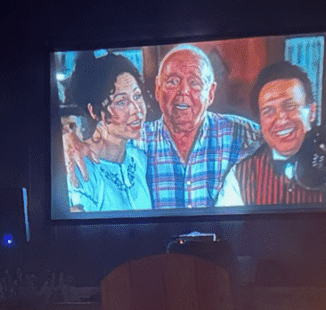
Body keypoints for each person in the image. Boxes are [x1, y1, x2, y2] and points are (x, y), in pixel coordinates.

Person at [65, 44, 260, 209]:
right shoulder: (138, 143)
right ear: (158, 89)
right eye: (173, 82)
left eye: (194, 83)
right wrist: (66, 140)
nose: (183, 92)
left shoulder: (243, 134)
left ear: (210, 93)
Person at [216, 61, 326, 207]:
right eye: (268, 111)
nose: (281, 119)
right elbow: (229, 228)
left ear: (312, 113)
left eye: (290, 106)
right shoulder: (240, 176)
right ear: (261, 123)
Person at [64, 52, 151, 213]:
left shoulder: (140, 160)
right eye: (121, 102)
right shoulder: (79, 168)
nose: (136, 109)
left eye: (137, 96)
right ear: (94, 111)